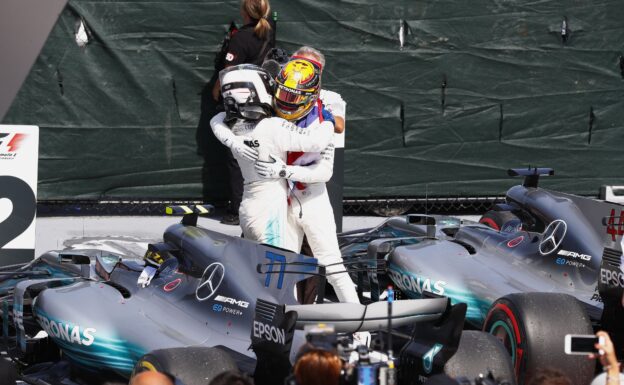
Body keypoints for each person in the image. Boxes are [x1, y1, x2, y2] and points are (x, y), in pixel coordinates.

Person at [254, 51, 360, 304]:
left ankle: (359, 324)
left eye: (293, 97)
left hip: (312, 201)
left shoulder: (324, 121)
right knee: (283, 269)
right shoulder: (271, 112)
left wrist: (284, 171)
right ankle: (286, 325)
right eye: (283, 93)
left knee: (332, 265)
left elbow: (324, 172)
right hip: (280, 202)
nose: (285, 101)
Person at [210, 64, 334, 248]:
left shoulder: (233, 128)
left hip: (248, 207)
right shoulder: (273, 126)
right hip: (269, 211)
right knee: (276, 270)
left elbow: (216, 119)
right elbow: (316, 142)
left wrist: (232, 142)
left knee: (254, 265)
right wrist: (328, 118)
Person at [197, 0, 275, 226]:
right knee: (260, 153)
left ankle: (238, 210)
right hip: (263, 104)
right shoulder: (268, 34)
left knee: (236, 156)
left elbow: (229, 71)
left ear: (245, 12)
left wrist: (216, 89)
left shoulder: (240, 38)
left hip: (239, 106)